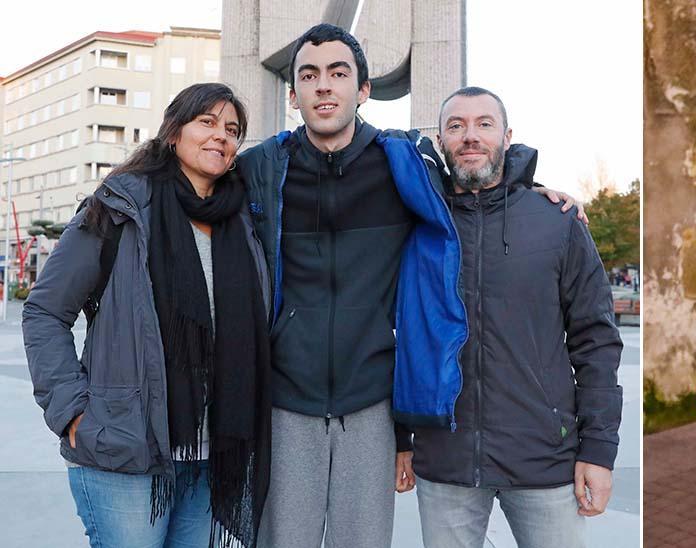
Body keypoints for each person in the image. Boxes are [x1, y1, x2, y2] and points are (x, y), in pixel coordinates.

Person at [236, 24, 582, 547]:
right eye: (309, 76)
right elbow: (192, 183)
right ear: (294, 95)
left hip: (371, 404)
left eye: (338, 73)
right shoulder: (262, 167)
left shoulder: (404, 163)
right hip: (285, 401)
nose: (323, 86)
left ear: (364, 89)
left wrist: (532, 190)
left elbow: (477, 178)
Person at [24, 83, 272, 547]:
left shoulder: (242, 223)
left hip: (211, 456)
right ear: (174, 132)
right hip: (125, 449)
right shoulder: (120, 209)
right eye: (208, 122)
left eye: (233, 129)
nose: (221, 135)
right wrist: (71, 409)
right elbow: (44, 311)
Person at [399, 86, 622, 548]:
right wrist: (402, 436)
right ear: (440, 142)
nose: (470, 136)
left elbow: (595, 340)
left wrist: (599, 451)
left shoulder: (555, 221)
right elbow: (397, 339)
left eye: (484, 124)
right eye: (455, 126)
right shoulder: (418, 226)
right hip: (448, 460)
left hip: (544, 457)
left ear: (508, 136)